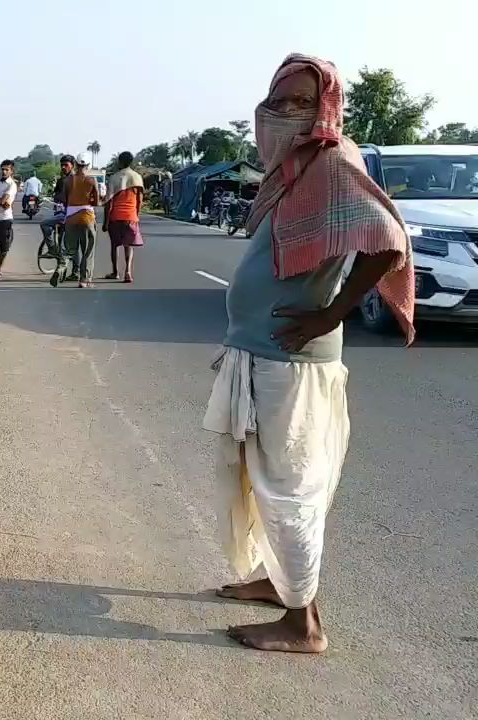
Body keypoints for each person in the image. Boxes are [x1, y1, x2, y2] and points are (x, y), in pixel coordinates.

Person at [203, 54, 414, 654]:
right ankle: (280, 583)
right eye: (280, 102)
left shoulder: (332, 160)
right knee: (257, 477)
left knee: (288, 486)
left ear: (326, 106)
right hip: (260, 355)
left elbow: (387, 241)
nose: (287, 114)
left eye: (303, 102)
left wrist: (330, 312)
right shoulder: (292, 169)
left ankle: (303, 624)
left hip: (291, 364)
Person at [103, 151, 145, 282]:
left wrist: (105, 221)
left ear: (119, 162)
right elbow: (140, 200)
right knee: (129, 246)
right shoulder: (137, 177)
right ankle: (128, 272)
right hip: (130, 216)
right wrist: (136, 214)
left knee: (114, 245)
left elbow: (108, 202)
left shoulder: (114, 178)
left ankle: (115, 272)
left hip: (115, 217)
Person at [63, 153, 101, 288]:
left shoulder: (68, 181)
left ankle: (61, 269)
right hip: (86, 217)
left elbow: (66, 200)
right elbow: (96, 202)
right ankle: (84, 279)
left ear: (76, 164)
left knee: (71, 249)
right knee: (87, 250)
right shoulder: (91, 181)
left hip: (71, 218)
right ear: (87, 165)